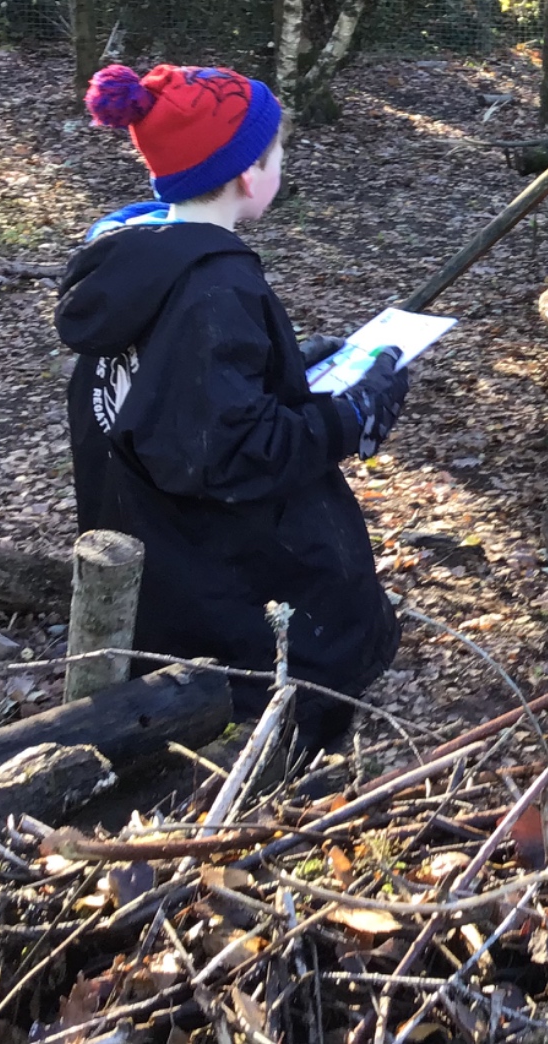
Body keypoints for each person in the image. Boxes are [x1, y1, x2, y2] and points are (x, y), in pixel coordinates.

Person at [57, 64, 410, 749]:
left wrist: (290, 364)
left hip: (161, 566)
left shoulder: (133, 261)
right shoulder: (213, 289)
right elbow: (233, 451)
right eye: (277, 155)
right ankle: (289, 770)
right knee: (289, 705)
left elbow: (174, 394)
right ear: (248, 174)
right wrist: (352, 416)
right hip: (226, 598)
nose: (281, 167)